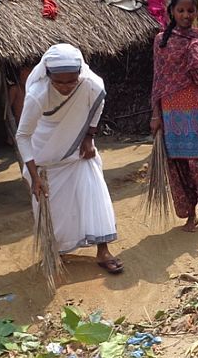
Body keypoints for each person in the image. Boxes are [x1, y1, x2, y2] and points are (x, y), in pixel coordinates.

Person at [15, 44, 123, 274]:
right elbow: (23, 136)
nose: (65, 87)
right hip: (45, 156)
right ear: (48, 75)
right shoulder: (37, 95)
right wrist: (34, 177)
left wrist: (89, 137)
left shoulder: (91, 85)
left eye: (71, 81)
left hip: (77, 152)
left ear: (80, 74)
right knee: (53, 208)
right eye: (59, 82)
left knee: (94, 195)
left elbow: (98, 105)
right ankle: (56, 251)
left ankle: (103, 250)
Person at [150, 0, 198, 232]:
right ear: (171, 12)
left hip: (197, 105)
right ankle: (190, 212)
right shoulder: (162, 40)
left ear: (196, 12)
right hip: (171, 110)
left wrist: (196, 55)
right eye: (180, 10)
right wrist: (156, 114)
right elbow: (158, 78)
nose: (185, 15)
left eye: (190, 10)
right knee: (180, 165)